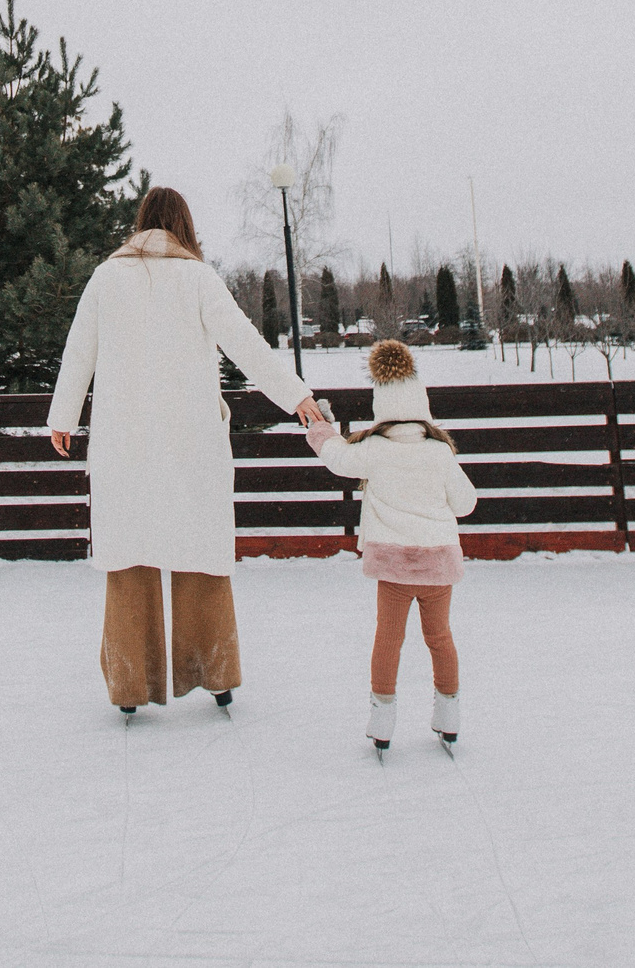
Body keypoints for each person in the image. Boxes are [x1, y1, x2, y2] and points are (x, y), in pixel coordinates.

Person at [49, 186, 319, 714]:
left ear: (141, 224)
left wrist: (63, 419)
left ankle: (130, 687)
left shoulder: (107, 277)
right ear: (184, 227)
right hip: (189, 445)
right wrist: (298, 396)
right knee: (199, 552)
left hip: (124, 446)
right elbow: (247, 344)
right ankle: (214, 674)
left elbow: (78, 351)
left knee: (129, 556)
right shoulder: (198, 277)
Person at [306, 339, 478, 751]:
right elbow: (467, 503)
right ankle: (449, 714)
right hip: (436, 567)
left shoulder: (373, 450)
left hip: (394, 569)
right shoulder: (439, 453)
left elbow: (336, 457)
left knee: (388, 638)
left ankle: (382, 720)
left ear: (380, 406)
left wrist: (321, 428)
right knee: (440, 638)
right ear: (423, 406)